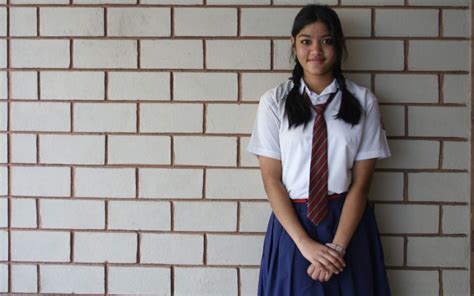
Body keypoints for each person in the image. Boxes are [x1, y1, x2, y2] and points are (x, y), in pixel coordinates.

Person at [247, 4, 392, 296]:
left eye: (326, 41)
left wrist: (336, 248)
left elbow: (362, 184)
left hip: (347, 224)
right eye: (306, 41)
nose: (316, 50)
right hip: (292, 226)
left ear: (339, 44)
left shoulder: (363, 101)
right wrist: (305, 245)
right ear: (293, 44)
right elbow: (271, 180)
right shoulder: (274, 102)